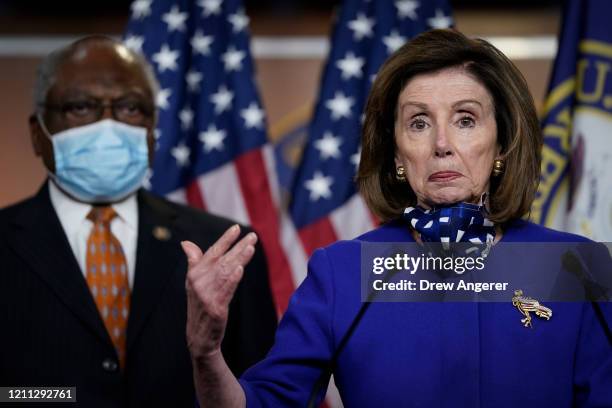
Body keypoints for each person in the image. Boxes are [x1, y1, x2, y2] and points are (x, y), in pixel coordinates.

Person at [182, 29, 612, 407]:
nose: (442, 144)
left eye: (465, 120)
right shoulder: (343, 273)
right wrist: (206, 354)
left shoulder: (575, 267)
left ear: (500, 146)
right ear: (397, 154)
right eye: (419, 123)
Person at [0, 36, 277, 407]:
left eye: (130, 107)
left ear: (152, 129)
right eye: (81, 107)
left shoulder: (226, 245)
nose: (108, 126)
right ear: (38, 133)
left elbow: (263, 392)